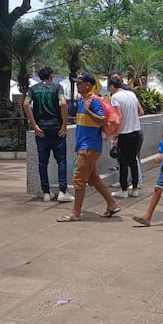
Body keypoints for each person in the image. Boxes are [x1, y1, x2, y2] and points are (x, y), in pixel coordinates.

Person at [56, 72, 119, 222]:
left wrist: (89, 110)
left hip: (89, 147)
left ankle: (75, 214)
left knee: (78, 179)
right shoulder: (83, 101)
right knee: (93, 179)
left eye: (79, 83)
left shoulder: (93, 101)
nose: (77, 85)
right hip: (86, 146)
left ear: (88, 85)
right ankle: (112, 204)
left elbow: (102, 120)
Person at [23, 66, 74, 202]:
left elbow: (26, 104)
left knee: (42, 162)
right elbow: (63, 103)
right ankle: (62, 191)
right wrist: (64, 124)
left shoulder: (33, 89)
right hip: (56, 128)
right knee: (61, 160)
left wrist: (34, 125)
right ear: (51, 76)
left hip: (41, 130)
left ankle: (46, 192)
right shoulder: (57, 87)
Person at [110, 76, 144, 198]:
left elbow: (119, 117)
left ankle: (123, 190)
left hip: (124, 134)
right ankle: (134, 189)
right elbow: (141, 112)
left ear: (112, 86)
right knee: (133, 161)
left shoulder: (115, 97)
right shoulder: (131, 94)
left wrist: (115, 136)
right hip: (136, 131)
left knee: (123, 162)